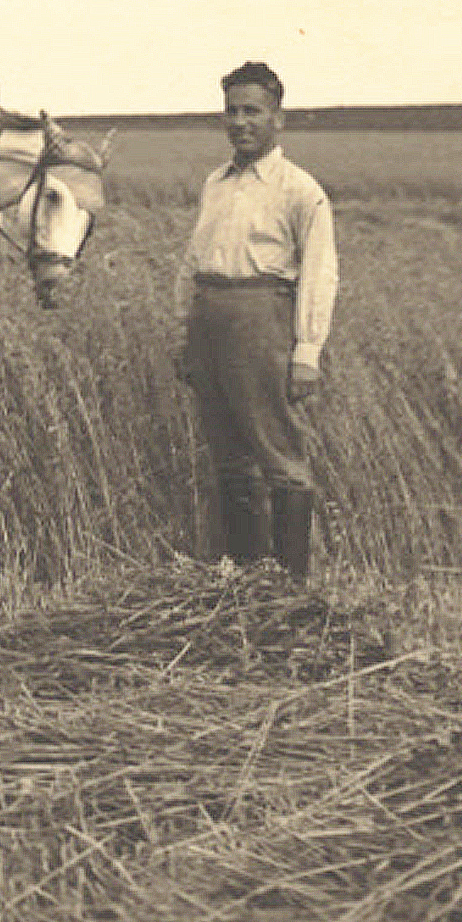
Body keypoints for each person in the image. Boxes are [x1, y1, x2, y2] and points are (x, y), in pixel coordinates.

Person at [175, 60, 339, 579]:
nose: (240, 122)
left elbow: (319, 273)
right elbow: (192, 259)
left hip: (262, 322)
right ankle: (246, 579)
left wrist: (307, 353)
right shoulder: (215, 184)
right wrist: (185, 331)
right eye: (231, 111)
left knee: (278, 452)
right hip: (210, 321)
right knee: (227, 455)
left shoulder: (300, 190)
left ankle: (290, 588)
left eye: (252, 111)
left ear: (277, 119)